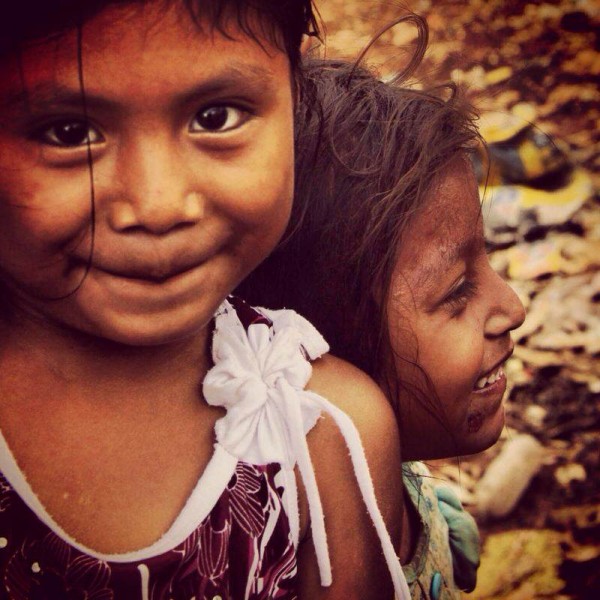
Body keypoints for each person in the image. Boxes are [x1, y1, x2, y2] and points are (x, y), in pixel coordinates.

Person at [0, 2, 411, 598]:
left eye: (216, 117)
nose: (159, 205)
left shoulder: (318, 434)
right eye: (69, 133)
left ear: (295, 103)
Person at [238, 51, 526, 597]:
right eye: (457, 292)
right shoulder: (316, 569)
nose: (514, 307)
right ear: (315, 352)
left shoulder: (394, 475)